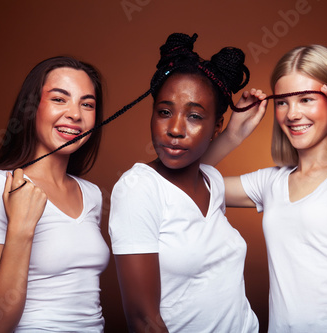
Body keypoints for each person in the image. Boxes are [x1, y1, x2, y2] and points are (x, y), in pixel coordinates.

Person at [203, 44, 327, 332]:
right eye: (283, 102)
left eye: (307, 99)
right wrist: (232, 136)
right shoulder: (271, 182)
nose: (292, 114)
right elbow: (187, 183)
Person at [108, 33, 259, 333]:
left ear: (216, 125)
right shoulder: (138, 188)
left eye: (194, 116)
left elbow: (195, 169)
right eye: (164, 112)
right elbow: (143, 319)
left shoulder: (212, 182)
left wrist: (235, 134)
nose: (175, 129)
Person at [0, 56, 110, 332]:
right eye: (60, 99)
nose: (75, 114)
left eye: (87, 104)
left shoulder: (92, 195)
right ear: (31, 107)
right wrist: (22, 228)